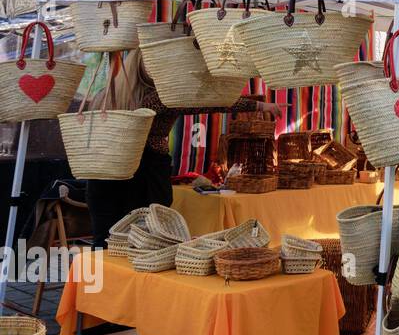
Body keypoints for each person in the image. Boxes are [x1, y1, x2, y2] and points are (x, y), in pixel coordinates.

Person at [84, 51, 280, 249]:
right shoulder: (163, 98)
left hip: (105, 175)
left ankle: (103, 278)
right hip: (145, 176)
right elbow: (211, 101)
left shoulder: (107, 96)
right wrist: (259, 105)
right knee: (143, 242)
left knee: (105, 242)